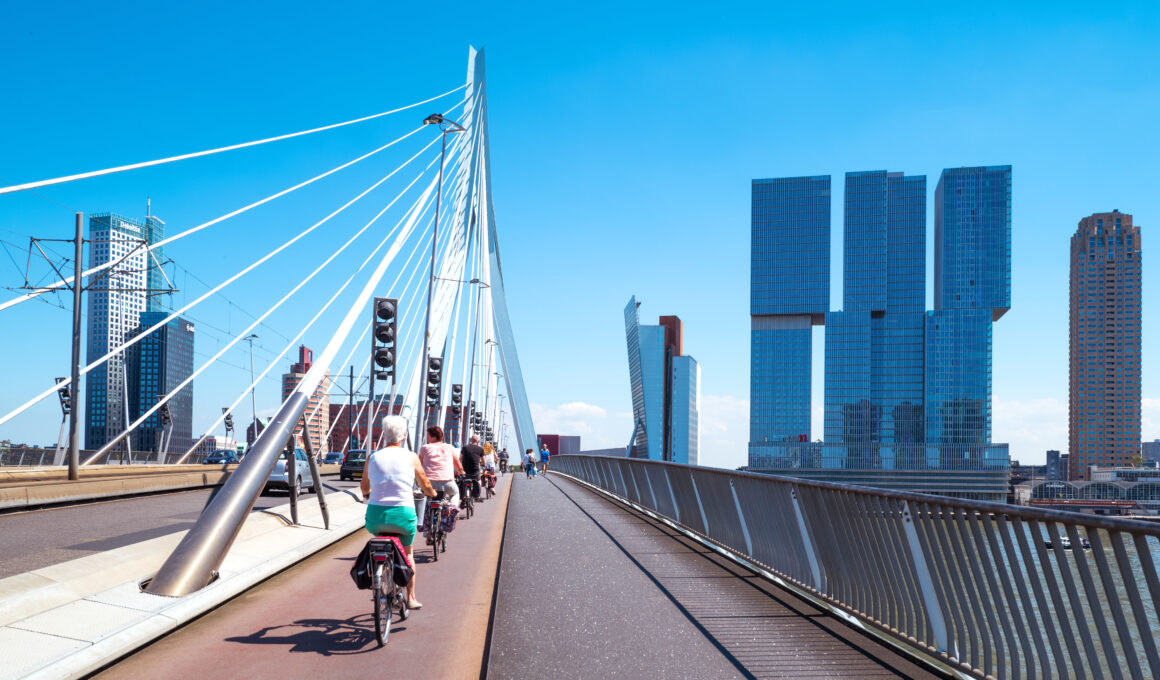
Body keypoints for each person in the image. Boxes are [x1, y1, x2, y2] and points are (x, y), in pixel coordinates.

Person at [361, 415, 436, 610]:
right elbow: (424, 484)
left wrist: (368, 493)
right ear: (403, 435)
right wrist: (431, 493)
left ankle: (380, 573)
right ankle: (410, 597)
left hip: (376, 517)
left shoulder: (372, 457)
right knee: (408, 552)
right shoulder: (410, 456)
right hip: (403, 515)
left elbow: (364, 486)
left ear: (384, 436)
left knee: (379, 540)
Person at [417, 426, 462, 532]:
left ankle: (426, 530)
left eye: (428, 436)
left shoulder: (424, 448)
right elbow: (457, 465)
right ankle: (453, 508)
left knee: (426, 499)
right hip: (447, 482)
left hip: (429, 483)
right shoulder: (450, 447)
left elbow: (419, 465)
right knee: (455, 493)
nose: (427, 438)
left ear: (432, 437)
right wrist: (461, 472)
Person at [459, 434, 485, 502]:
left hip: (465, 471)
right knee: (478, 480)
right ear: (478, 441)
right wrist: (483, 464)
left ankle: (463, 497)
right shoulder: (480, 449)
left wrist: (460, 467)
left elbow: (460, 459)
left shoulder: (465, 448)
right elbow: (483, 461)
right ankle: (478, 496)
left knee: (463, 481)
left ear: (470, 440)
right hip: (475, 472)